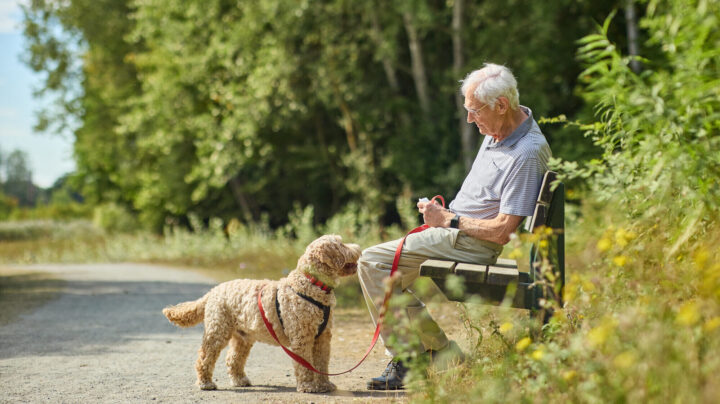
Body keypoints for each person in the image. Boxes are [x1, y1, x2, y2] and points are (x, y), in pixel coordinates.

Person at [358, 63, 552, 390]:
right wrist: (445, 216)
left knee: (372, 262)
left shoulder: (526, 152)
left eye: (474, 111)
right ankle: (440, 356)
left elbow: (502, 231)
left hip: (472, 243)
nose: (469, 119)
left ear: (502, 105)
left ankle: (416, 360)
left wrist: (449, 220)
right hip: (455, 232)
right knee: (382, 270)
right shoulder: (499, 131)